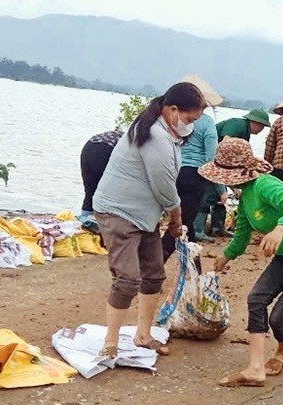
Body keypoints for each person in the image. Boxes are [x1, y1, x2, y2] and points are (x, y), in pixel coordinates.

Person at [200, 138, 283, 387]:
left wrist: (280, 229)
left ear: (237, 173)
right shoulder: (246, 198)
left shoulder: (265, 184)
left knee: (279, 317)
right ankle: (255, 368)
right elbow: (242, 233)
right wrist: (226, 256)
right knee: (256, 298)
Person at [92, 81, 206, 357]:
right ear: (173, 109)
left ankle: (143, 336)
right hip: (119, 212)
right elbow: (164, 186)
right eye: (189, 118)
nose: (189, 125)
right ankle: (111, 342)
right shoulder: (154, 135)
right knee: (128, 279)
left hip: (145, 216)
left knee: (154, 274)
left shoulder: (165, 133)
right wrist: (176, 217)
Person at [195, 109, 272, 241]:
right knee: (209, 194)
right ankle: (198, 230)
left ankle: (217, 228)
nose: (262, 129)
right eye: (262, 125)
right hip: (212, 159)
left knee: (218, 197)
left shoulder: (245, 133)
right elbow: (226, 144)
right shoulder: (238, 124)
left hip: (223, 163)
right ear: (254, 122)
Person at [160, 108, 218, 263]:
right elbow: (211, 156)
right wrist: (220, 188)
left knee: (187, 219)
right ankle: (154, 266)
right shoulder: (207, 122)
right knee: (183, 222)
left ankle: (195, 266)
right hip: (194, 175)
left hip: (174, 171)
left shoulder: (174, 118)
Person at [79, 130, 122, 229]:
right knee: (111, 198)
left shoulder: (129, 139)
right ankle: (103, 229)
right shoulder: (139, 147)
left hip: (89, 146)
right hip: (106, 150)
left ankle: (85, 224)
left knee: (90, 193)